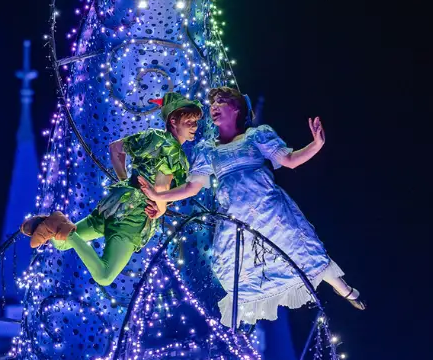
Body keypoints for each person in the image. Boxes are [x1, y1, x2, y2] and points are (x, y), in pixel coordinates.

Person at [140, 87, 365, 325]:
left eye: (220, 102)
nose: (214, 107)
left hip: (270, 211)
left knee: (302, 252)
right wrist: (158, 196)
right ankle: (245, 335)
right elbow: (191, 187)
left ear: (236, 108)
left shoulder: (256, 136)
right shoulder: (207, 149)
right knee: (237, 273)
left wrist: (316, 145)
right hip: (236, 219)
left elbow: (288, 161)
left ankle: (346, 289)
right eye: (212, 103)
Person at [20, 92, 203, 285]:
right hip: (134, 216)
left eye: (195, 122)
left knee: (61, 243)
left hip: (115, 202)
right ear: (173, 121)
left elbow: (116, 148)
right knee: (104, 276)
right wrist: (161, 208)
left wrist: (125, 183)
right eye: (189, 122)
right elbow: (159, 186)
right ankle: (65, 229)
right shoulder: (174, 152)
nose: (195, 127)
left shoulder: (151, 136)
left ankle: (54, 223)